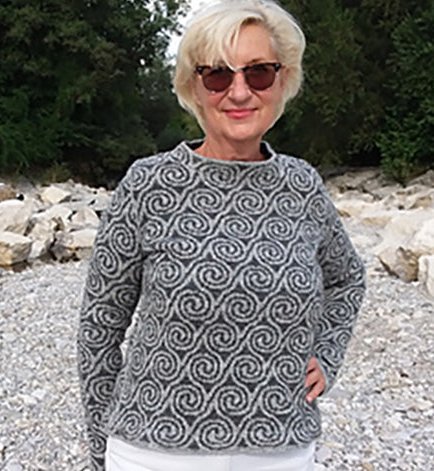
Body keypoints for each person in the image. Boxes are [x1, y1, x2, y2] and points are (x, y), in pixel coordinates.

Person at [77, 1, 366, 470]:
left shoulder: (302, 186)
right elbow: (99, 329)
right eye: (217, 75)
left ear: (283, 80)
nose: (239, 92)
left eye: (259, 73)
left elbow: (347, 279)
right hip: (153, 453)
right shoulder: (148, 185)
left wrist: (327, 355)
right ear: (193, 86)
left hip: (282, 451)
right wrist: (99, 449)